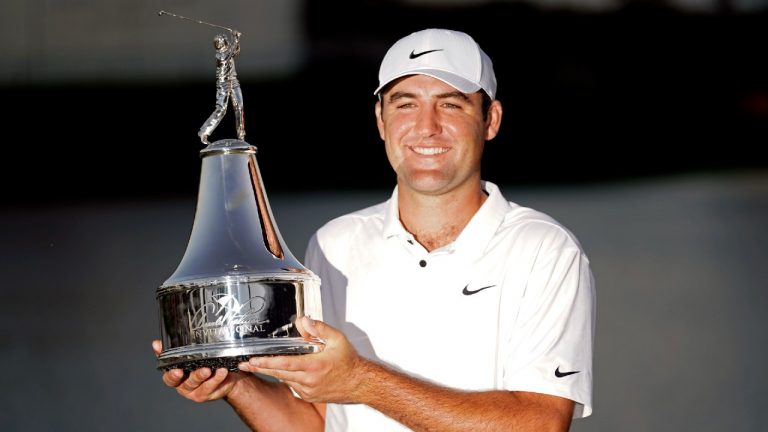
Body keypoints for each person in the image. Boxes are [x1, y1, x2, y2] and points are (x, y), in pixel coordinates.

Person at [154, 28, 595, 431]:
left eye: (450, 103)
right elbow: (319, 422)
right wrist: (235, 384)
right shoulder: (334, 245)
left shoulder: (545, 249)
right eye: (406, 104)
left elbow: (539, 424)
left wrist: (360, 380)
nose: (427, 126)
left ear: (491, 119)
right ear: (381, 120)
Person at [198, 31, 245, 144]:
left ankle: (241, 136)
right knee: (221, 110)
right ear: (219, 44)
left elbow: (236, 51)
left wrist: (237, 40)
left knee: (239, 107)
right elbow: (231, 52)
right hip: (223, 84)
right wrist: (235, 38)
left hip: (233, 82)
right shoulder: (220, 55)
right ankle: (204, 132)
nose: (224, 40)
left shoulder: (228, 51)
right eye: (222, 40)